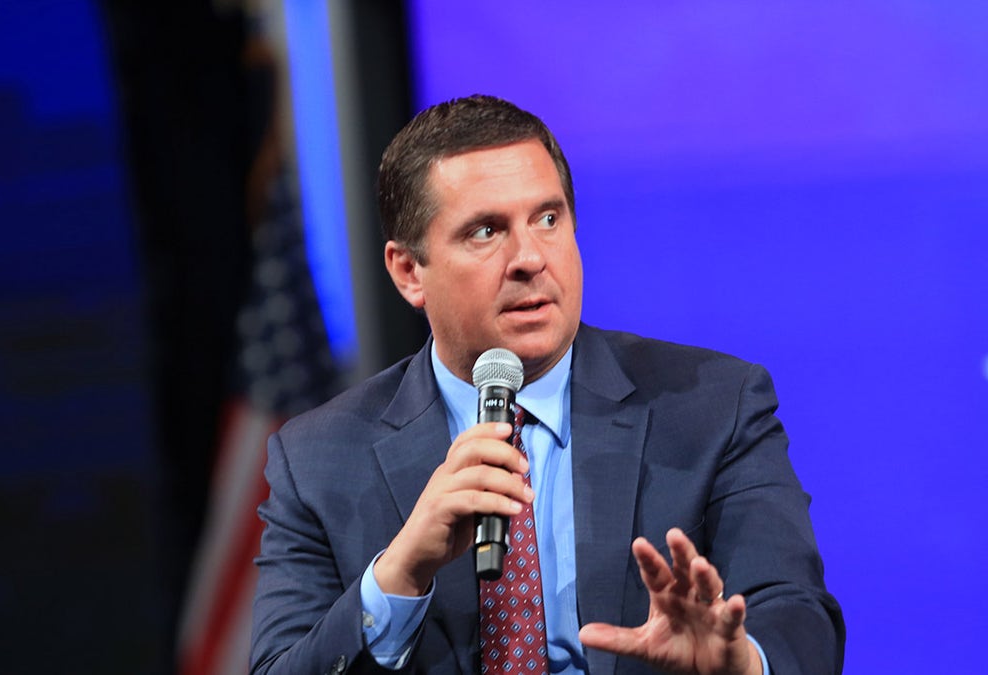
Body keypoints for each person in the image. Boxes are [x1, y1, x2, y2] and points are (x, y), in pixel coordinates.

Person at [250, 95, 844, 674]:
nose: (529, 257)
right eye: (486, 231)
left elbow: (797, 618)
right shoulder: (317, 459)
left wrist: (742, 664)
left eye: (548, 218)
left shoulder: (715, 406)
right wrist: (398, 575)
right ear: (409, 272)